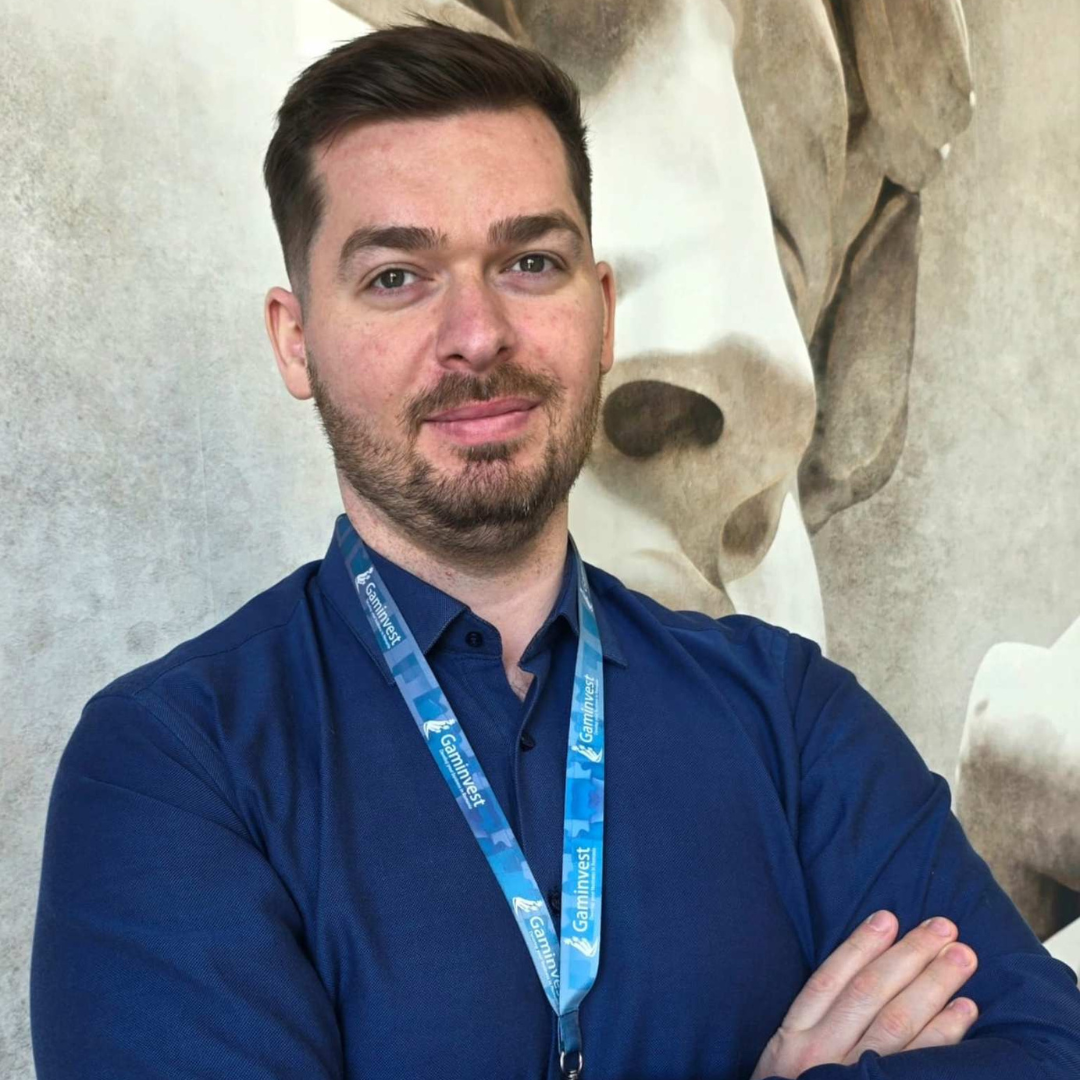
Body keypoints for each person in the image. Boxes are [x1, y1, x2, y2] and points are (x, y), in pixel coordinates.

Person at [29, 21, 1080, 1080]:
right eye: (396, 277)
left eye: (530, 262)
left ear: (602, 311)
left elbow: (1045, 1050)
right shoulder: (173, 764)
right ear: (296, 341)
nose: (478, 334)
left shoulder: (792, 721)